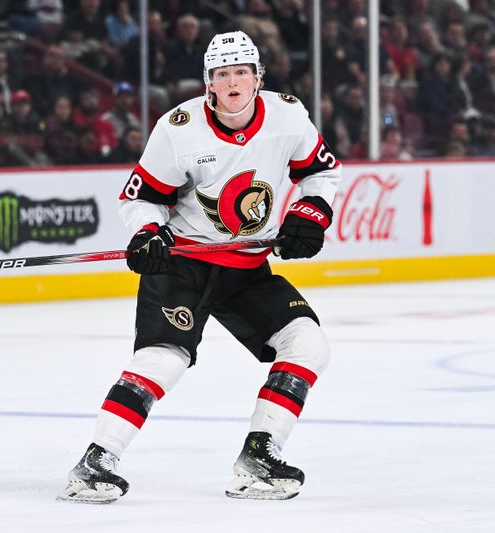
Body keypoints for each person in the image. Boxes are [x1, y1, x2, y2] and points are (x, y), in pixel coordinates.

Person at [59, 31, 341, 504]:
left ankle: (259, 457)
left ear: (258, 78)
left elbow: (320, 171)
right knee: (165, 358)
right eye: (222, 74)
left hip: (246, 266)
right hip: (181, 264)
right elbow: (142, 197)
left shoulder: (288, 116)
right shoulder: (181, 127)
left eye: (241, 73)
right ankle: (95, 462)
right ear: (208, 82)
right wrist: (148, 232)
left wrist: (312, 211)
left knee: (308, 343)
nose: (232, 83)